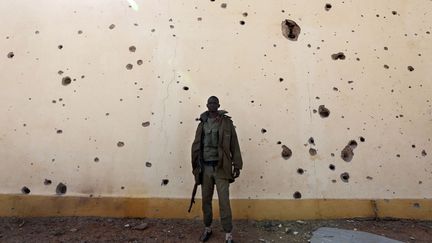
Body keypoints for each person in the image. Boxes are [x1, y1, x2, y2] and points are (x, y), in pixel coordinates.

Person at [191, 96, 243, 243]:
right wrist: (196, 167)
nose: (212, 105)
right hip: (206, 168)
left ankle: (228, 234)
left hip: (221, 168)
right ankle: (207, 228)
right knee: (206, 200)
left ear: (218, 105)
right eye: (210, 103)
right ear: (207, 105)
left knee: (224, 201)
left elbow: (234, 144)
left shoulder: (227, 123)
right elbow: (196, 146)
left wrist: (237, 165)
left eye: (215, 103)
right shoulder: (202, 123)